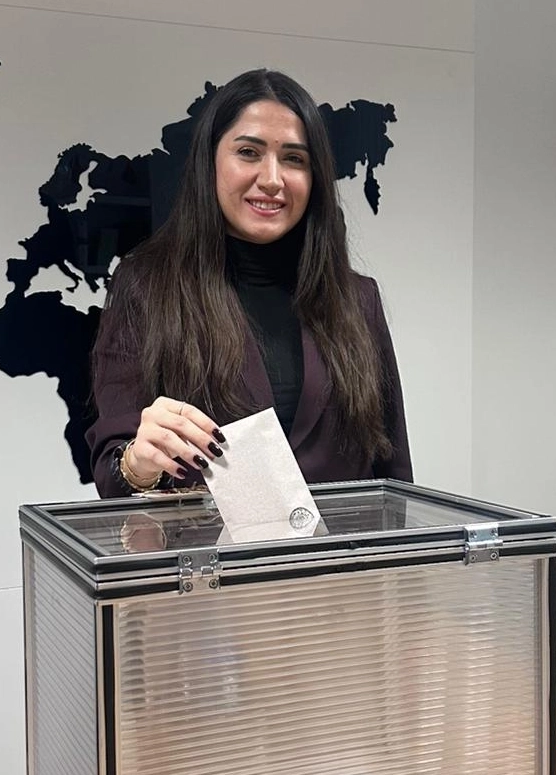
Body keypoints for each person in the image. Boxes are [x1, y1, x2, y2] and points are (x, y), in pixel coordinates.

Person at [86, 69, 412, 498]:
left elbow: (394, 472)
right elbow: (112, 475)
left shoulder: (357, 299)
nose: (272, 179)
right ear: (210, 163)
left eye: (294, 159)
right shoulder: (147, 288)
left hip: (343, 543)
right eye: (248, 152)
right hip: (205, 543)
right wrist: (137, 462)